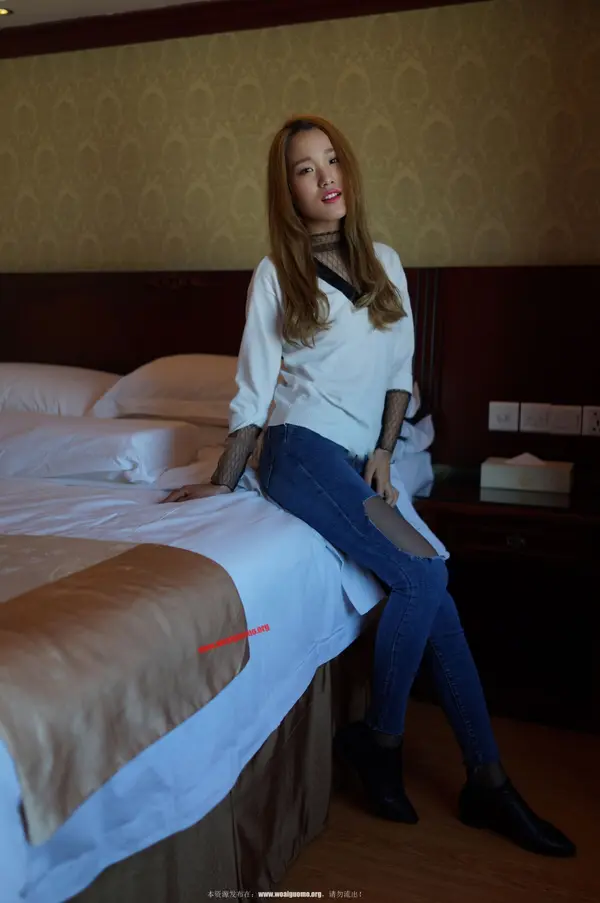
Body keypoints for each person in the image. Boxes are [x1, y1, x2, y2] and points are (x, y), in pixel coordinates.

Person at [164, 115, 575, 857]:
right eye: (304, 168)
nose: (325, 176)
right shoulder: (276, 273)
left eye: (330, 160)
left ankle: (487, 780)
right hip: (296, 450)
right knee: (424, 573)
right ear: (288, 191)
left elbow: (398, 374)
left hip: (356, 459)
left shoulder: (385, 263)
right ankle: (381, 740)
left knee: (435, 590)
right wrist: (223, 482)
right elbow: (253, 393)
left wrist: (386, 451)